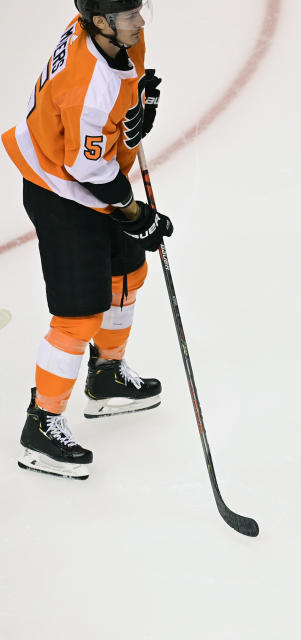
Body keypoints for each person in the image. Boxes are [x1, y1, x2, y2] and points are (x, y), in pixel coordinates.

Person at [3, 0, 172, 481]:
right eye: (130, 15)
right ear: (100, 22)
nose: (141, 22)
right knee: (77, 317)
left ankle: (107, 376)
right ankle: (41, 426)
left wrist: (139, 110)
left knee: (128, 274)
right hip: (61, 189)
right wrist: (136, 214)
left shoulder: (114, 38)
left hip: (87, 174)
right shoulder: (89, 87)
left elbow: (119, 103)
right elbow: (88, 170)